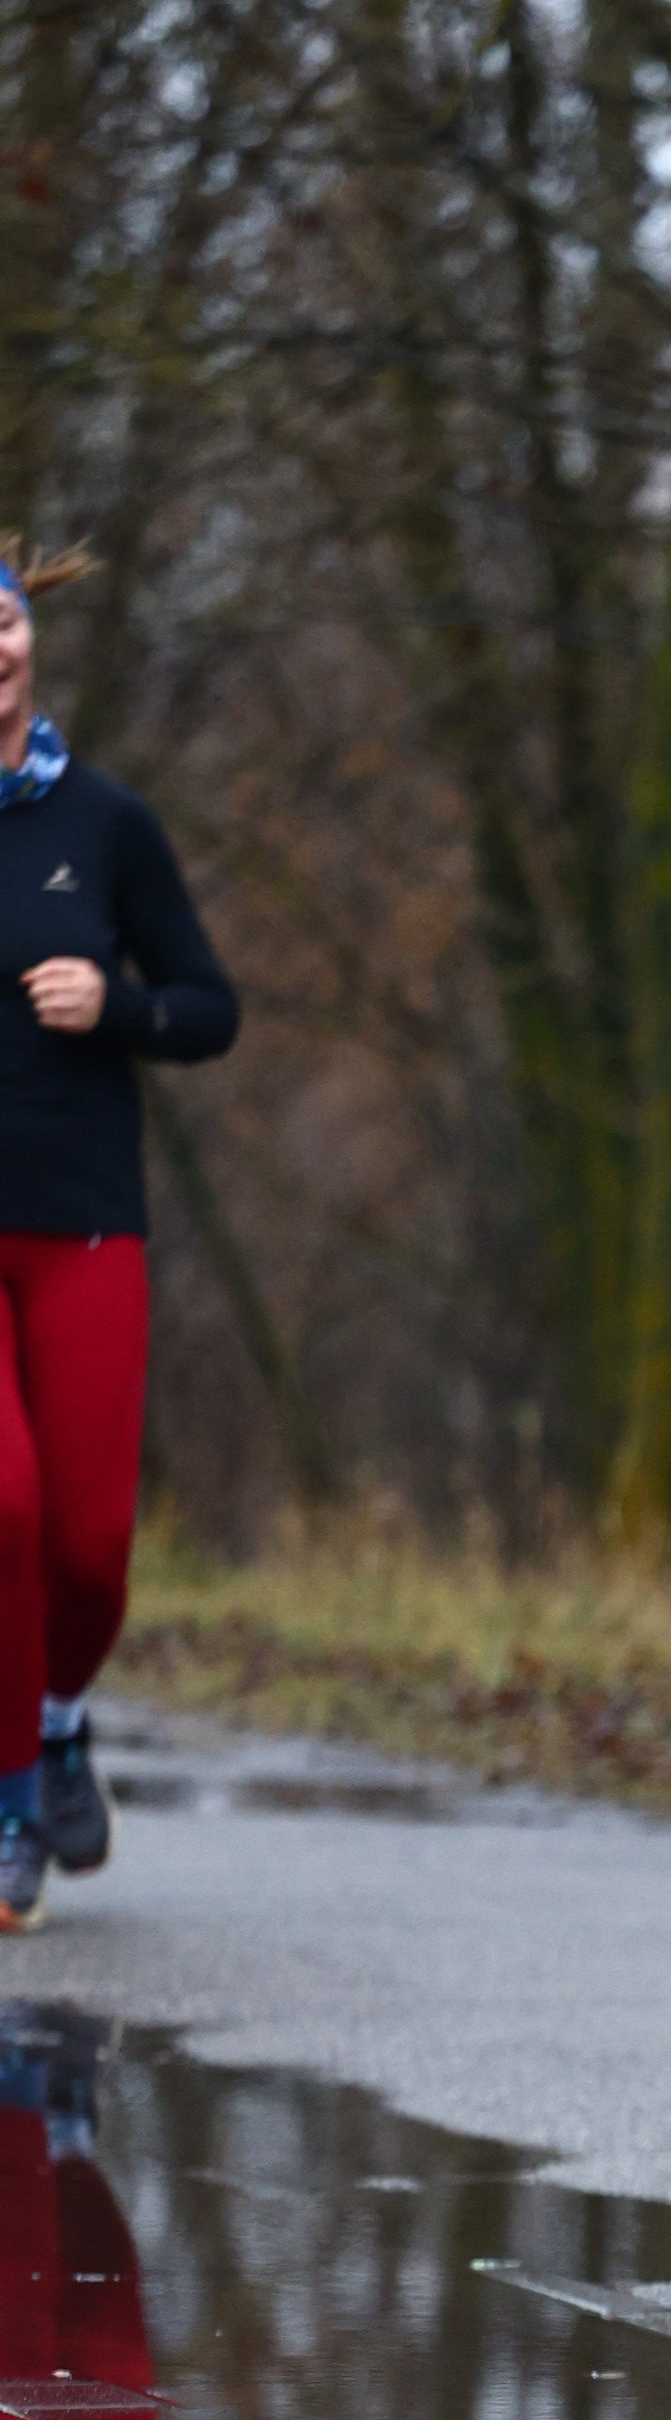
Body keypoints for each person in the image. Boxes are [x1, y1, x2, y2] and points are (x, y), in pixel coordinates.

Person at [0, 541, 240, 1932]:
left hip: (88, 1219)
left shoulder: (108, 825)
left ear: (32, 639)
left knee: (89, 1545)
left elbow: (211, 1006)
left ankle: (62, 1712)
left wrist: (121, 1006)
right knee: (6, 1511)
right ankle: (15, 1804)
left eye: (7, 621)